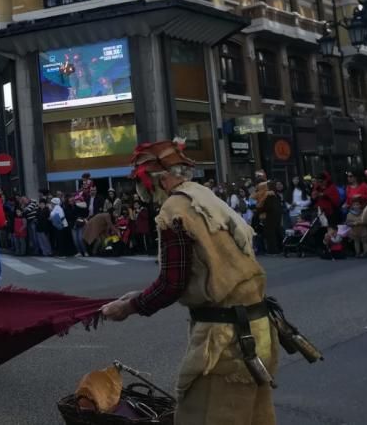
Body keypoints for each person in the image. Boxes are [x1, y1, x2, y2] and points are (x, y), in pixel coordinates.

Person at [102, 139, 276, 425]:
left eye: (141, 182)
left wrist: (130, 307)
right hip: (256, 328)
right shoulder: (204, 196)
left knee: (204, 417)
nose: (142, 189)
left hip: (224, 339)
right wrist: (138, 294)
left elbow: (173, 283)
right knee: (254, 417)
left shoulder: (175, 209)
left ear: (157, 180)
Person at [253, 182, 283, 255]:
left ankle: (273, 251)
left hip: (269, 217)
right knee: (277, 233)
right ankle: (280, 249)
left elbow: (266, 207)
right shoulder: (275, 195)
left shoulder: (268, 195)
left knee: (271, 234)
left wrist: (259, 209)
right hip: (276, 216)